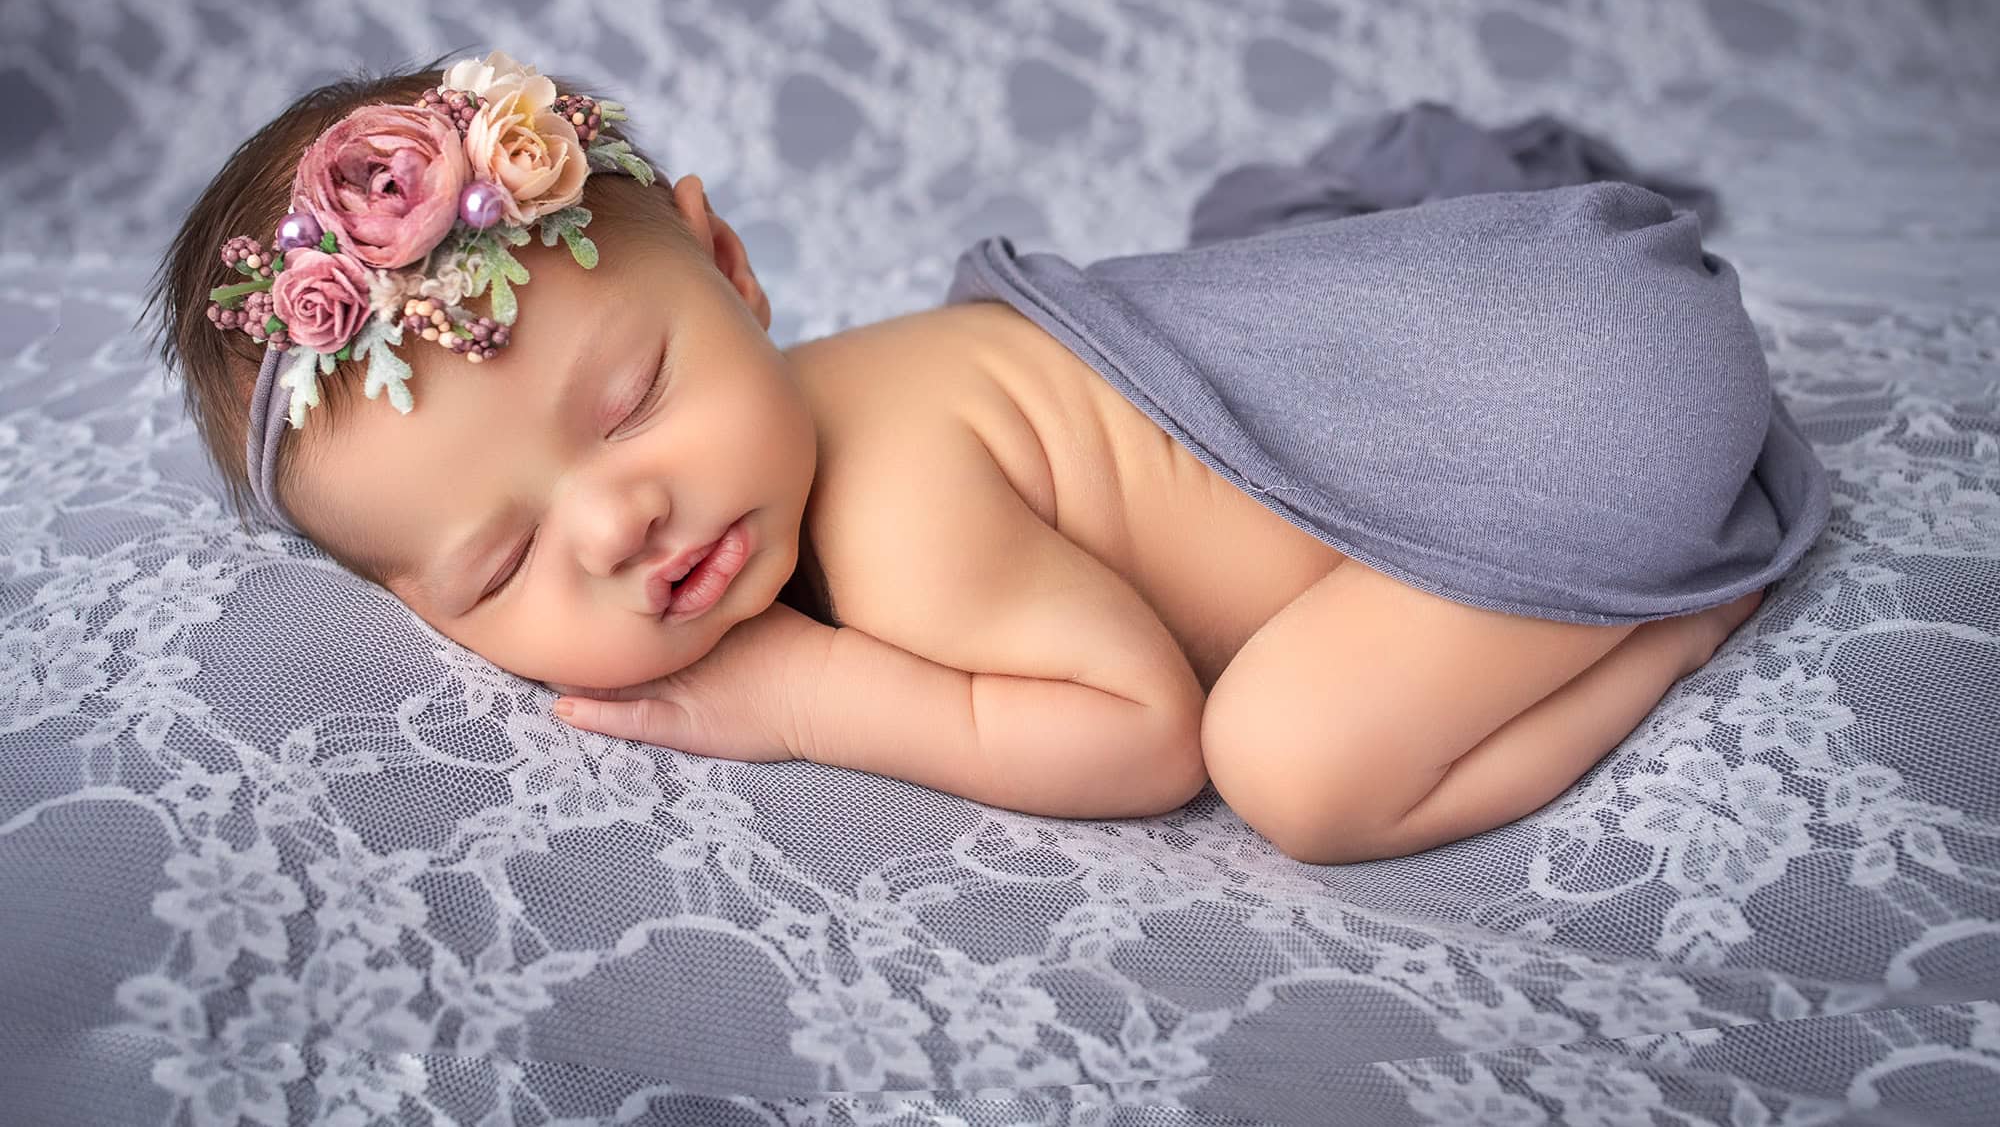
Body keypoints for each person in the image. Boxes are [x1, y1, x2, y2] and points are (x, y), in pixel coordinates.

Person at [147, 49, 1821, 865]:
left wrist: (800, 698)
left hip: (1584, 382)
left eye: (631, 398)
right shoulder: (777, 459)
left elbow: (1142, 732)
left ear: (734, 273)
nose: (615, 521)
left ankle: (1683, 599)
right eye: (499, 567)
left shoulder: (889, 508)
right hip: (1467, 352)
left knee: (1297, 770)